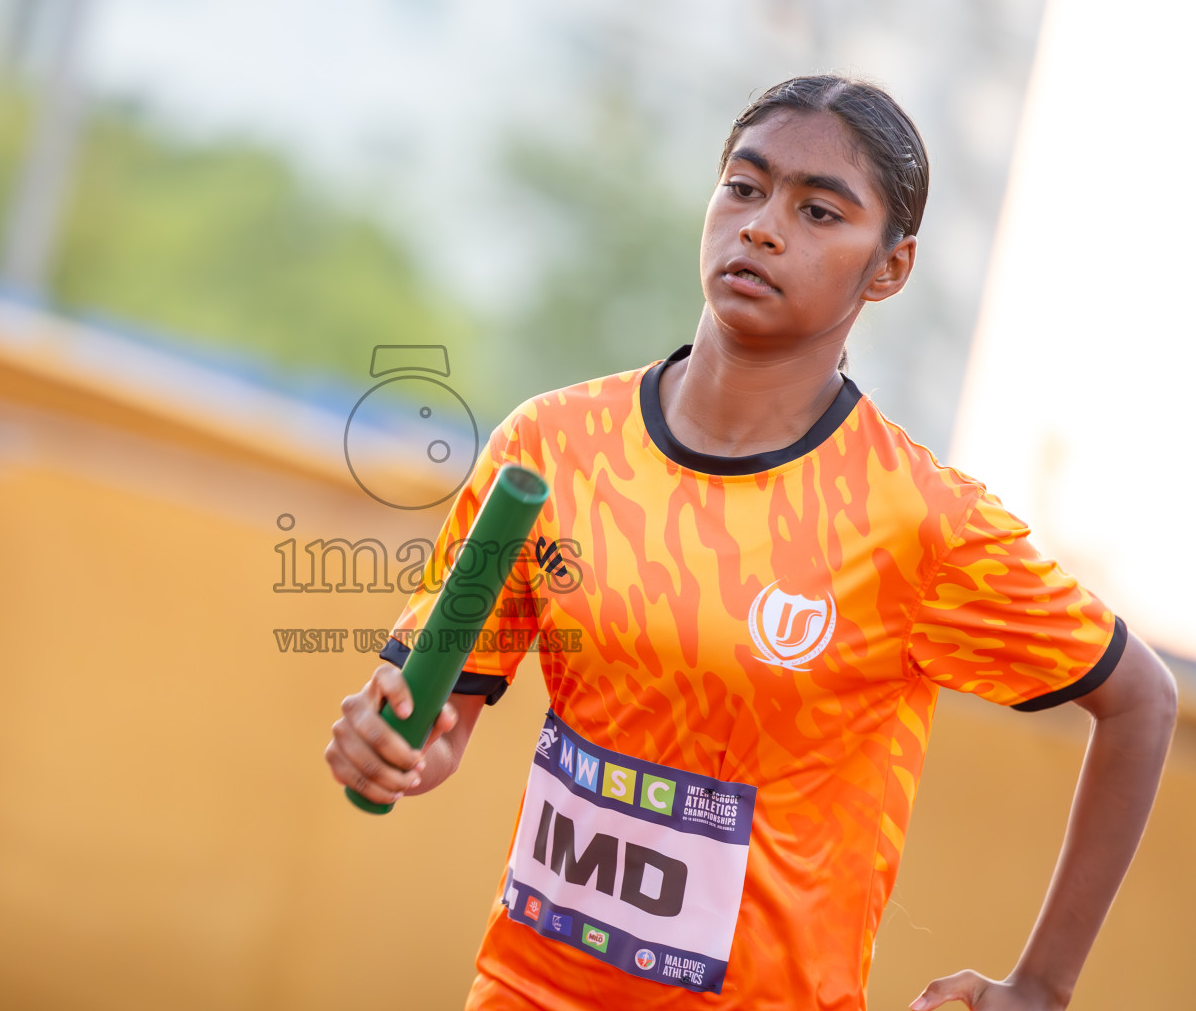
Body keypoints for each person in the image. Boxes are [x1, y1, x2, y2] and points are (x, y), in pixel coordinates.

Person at [323, 74, 1177, 1011]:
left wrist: (1041, 987)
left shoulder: (920, 520)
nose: (764, 226)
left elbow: (1141, 699)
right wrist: (391, 742)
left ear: (889, 269)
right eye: (744, 186)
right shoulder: (548, 445)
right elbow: (438, 717)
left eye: (819, 211)